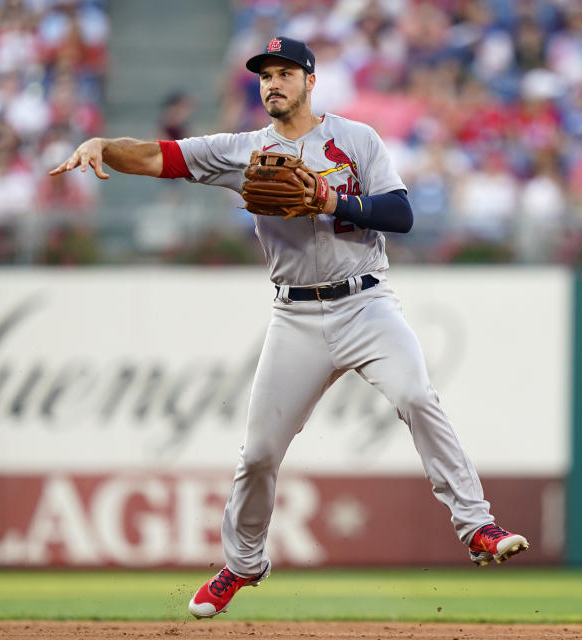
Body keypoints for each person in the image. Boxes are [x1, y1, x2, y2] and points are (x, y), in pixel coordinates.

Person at [49, 36, 529, 620]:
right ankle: (243, 564)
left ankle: (476, 526)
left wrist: (330, 199)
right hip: (295, 315)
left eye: (284, 73)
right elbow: (158, 157)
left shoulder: (355, 139)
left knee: (415, 395)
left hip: (367, 304)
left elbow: (401, 214)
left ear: (309, 80)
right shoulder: (242, 150)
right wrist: (103, 144)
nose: (272, 83)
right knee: (258, 455)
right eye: (264, 75)